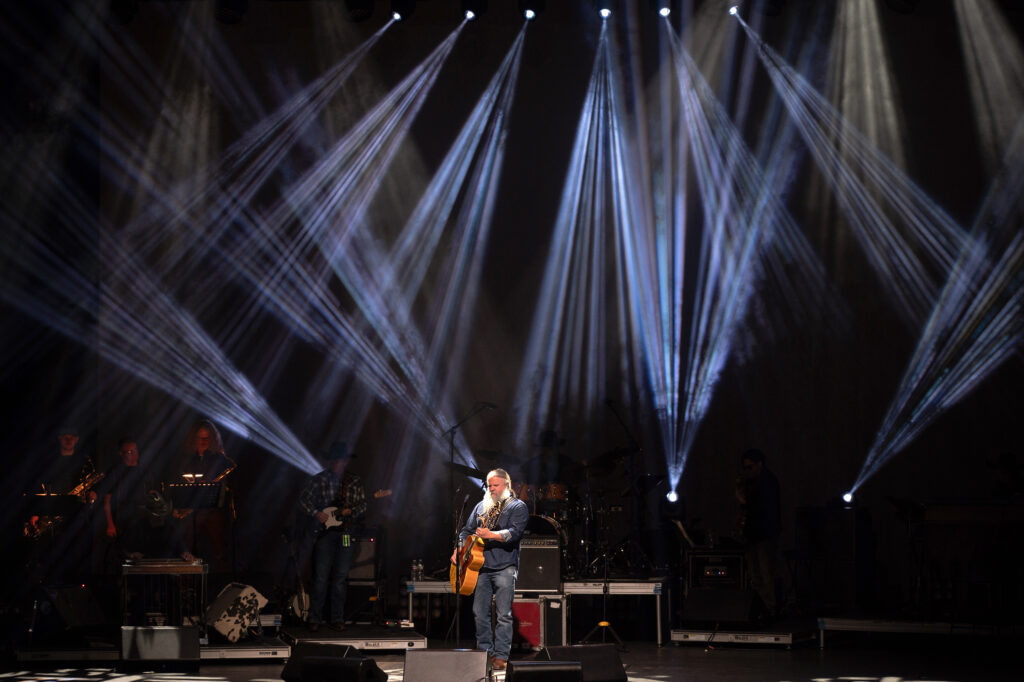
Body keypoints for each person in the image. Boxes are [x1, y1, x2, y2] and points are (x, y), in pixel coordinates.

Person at [451, 468, 529, 671]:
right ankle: (485, 652)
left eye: (496, 485)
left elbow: (515, 533)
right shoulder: (480, 506)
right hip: (481, 567)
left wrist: (491, 535)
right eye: (490, 485)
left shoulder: (517, 506)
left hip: (505, 566)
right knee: (479, 612)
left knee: (503, 615)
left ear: (507, 485)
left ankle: (501, 656)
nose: (492, 489)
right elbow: (466, 531)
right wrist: (458, 550)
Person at [297, 441, 366, 632]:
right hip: (325, 534)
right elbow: (303, 501)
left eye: (342, 461)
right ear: (331, 462)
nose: (339, 464)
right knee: (321, 576)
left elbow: (362, 506)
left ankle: (337, 618)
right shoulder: (319, 480)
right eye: (336, 460)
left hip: (346, 533)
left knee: (340, 577)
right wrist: (316, 513)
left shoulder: (354, 482)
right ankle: (315, 617)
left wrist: (349, 513)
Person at [175, 419, 235, 573]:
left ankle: (223, 585)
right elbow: (180, 483)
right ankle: (188, 584)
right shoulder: (188, 459)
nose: (203, 441)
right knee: (187, 548)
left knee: (219, 550)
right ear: (194, 439)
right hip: (191, 511)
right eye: (200, 437)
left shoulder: (219, 459)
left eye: (207, 437)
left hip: (212, 510)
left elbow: (225, 485)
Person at [735, 448, 781, 617]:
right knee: (755, 575)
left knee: (765, 574)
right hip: (753, 535)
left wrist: (743, 501)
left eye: (750, 467)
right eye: (745, 468)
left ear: (759, 464)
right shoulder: (753, 482)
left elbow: (762, 509)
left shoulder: (768, 482)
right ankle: (760, 609)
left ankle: (769, 609)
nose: (748, 471)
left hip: (764, 535)